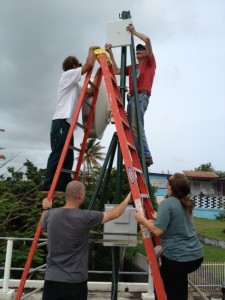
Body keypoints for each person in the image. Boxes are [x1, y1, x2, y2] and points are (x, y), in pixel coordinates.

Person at [41, 180, 132, 300]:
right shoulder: (85, 217)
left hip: (52, 280)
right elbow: (115, 213)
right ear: (80, 195)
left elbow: (42, 223)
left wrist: (46, 208)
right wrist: (127, 199)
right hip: (75, 282)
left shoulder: (51, 214)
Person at [134, 173, 203, 300]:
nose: (167, 181)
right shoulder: (185, 203)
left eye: (169, 180)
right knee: (179, 283)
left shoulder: (167, 203)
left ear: (171, 187)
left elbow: (158, 231)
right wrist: (158, 217)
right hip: (196, 256)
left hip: (179, 258)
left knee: (163, 283)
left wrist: (141, 219)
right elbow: (175, 221)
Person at [43, 46, 100, 192]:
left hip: (68, 123)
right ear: (73, 66)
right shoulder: (67, 75)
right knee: (58, 153)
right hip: (61, 121)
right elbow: (87, 66)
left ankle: (63, 184)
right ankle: (49, 184)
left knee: (68, 156)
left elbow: (90, 90)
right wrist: (91, 50)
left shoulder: (74, 86)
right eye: (78, 67)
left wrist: (99, 72)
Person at [105, 23, 156, 167]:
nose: (138, 50)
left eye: (141, 49)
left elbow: (148, 40)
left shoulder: (150, 62)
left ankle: (145, 155)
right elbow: (115, 70)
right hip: (132, 97)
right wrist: (110, 53)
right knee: (132, 127)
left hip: (142, 96)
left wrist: (134, 32)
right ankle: (140, 155)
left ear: (147, 53)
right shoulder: (132, 66)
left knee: (136, 126)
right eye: (137, 49)